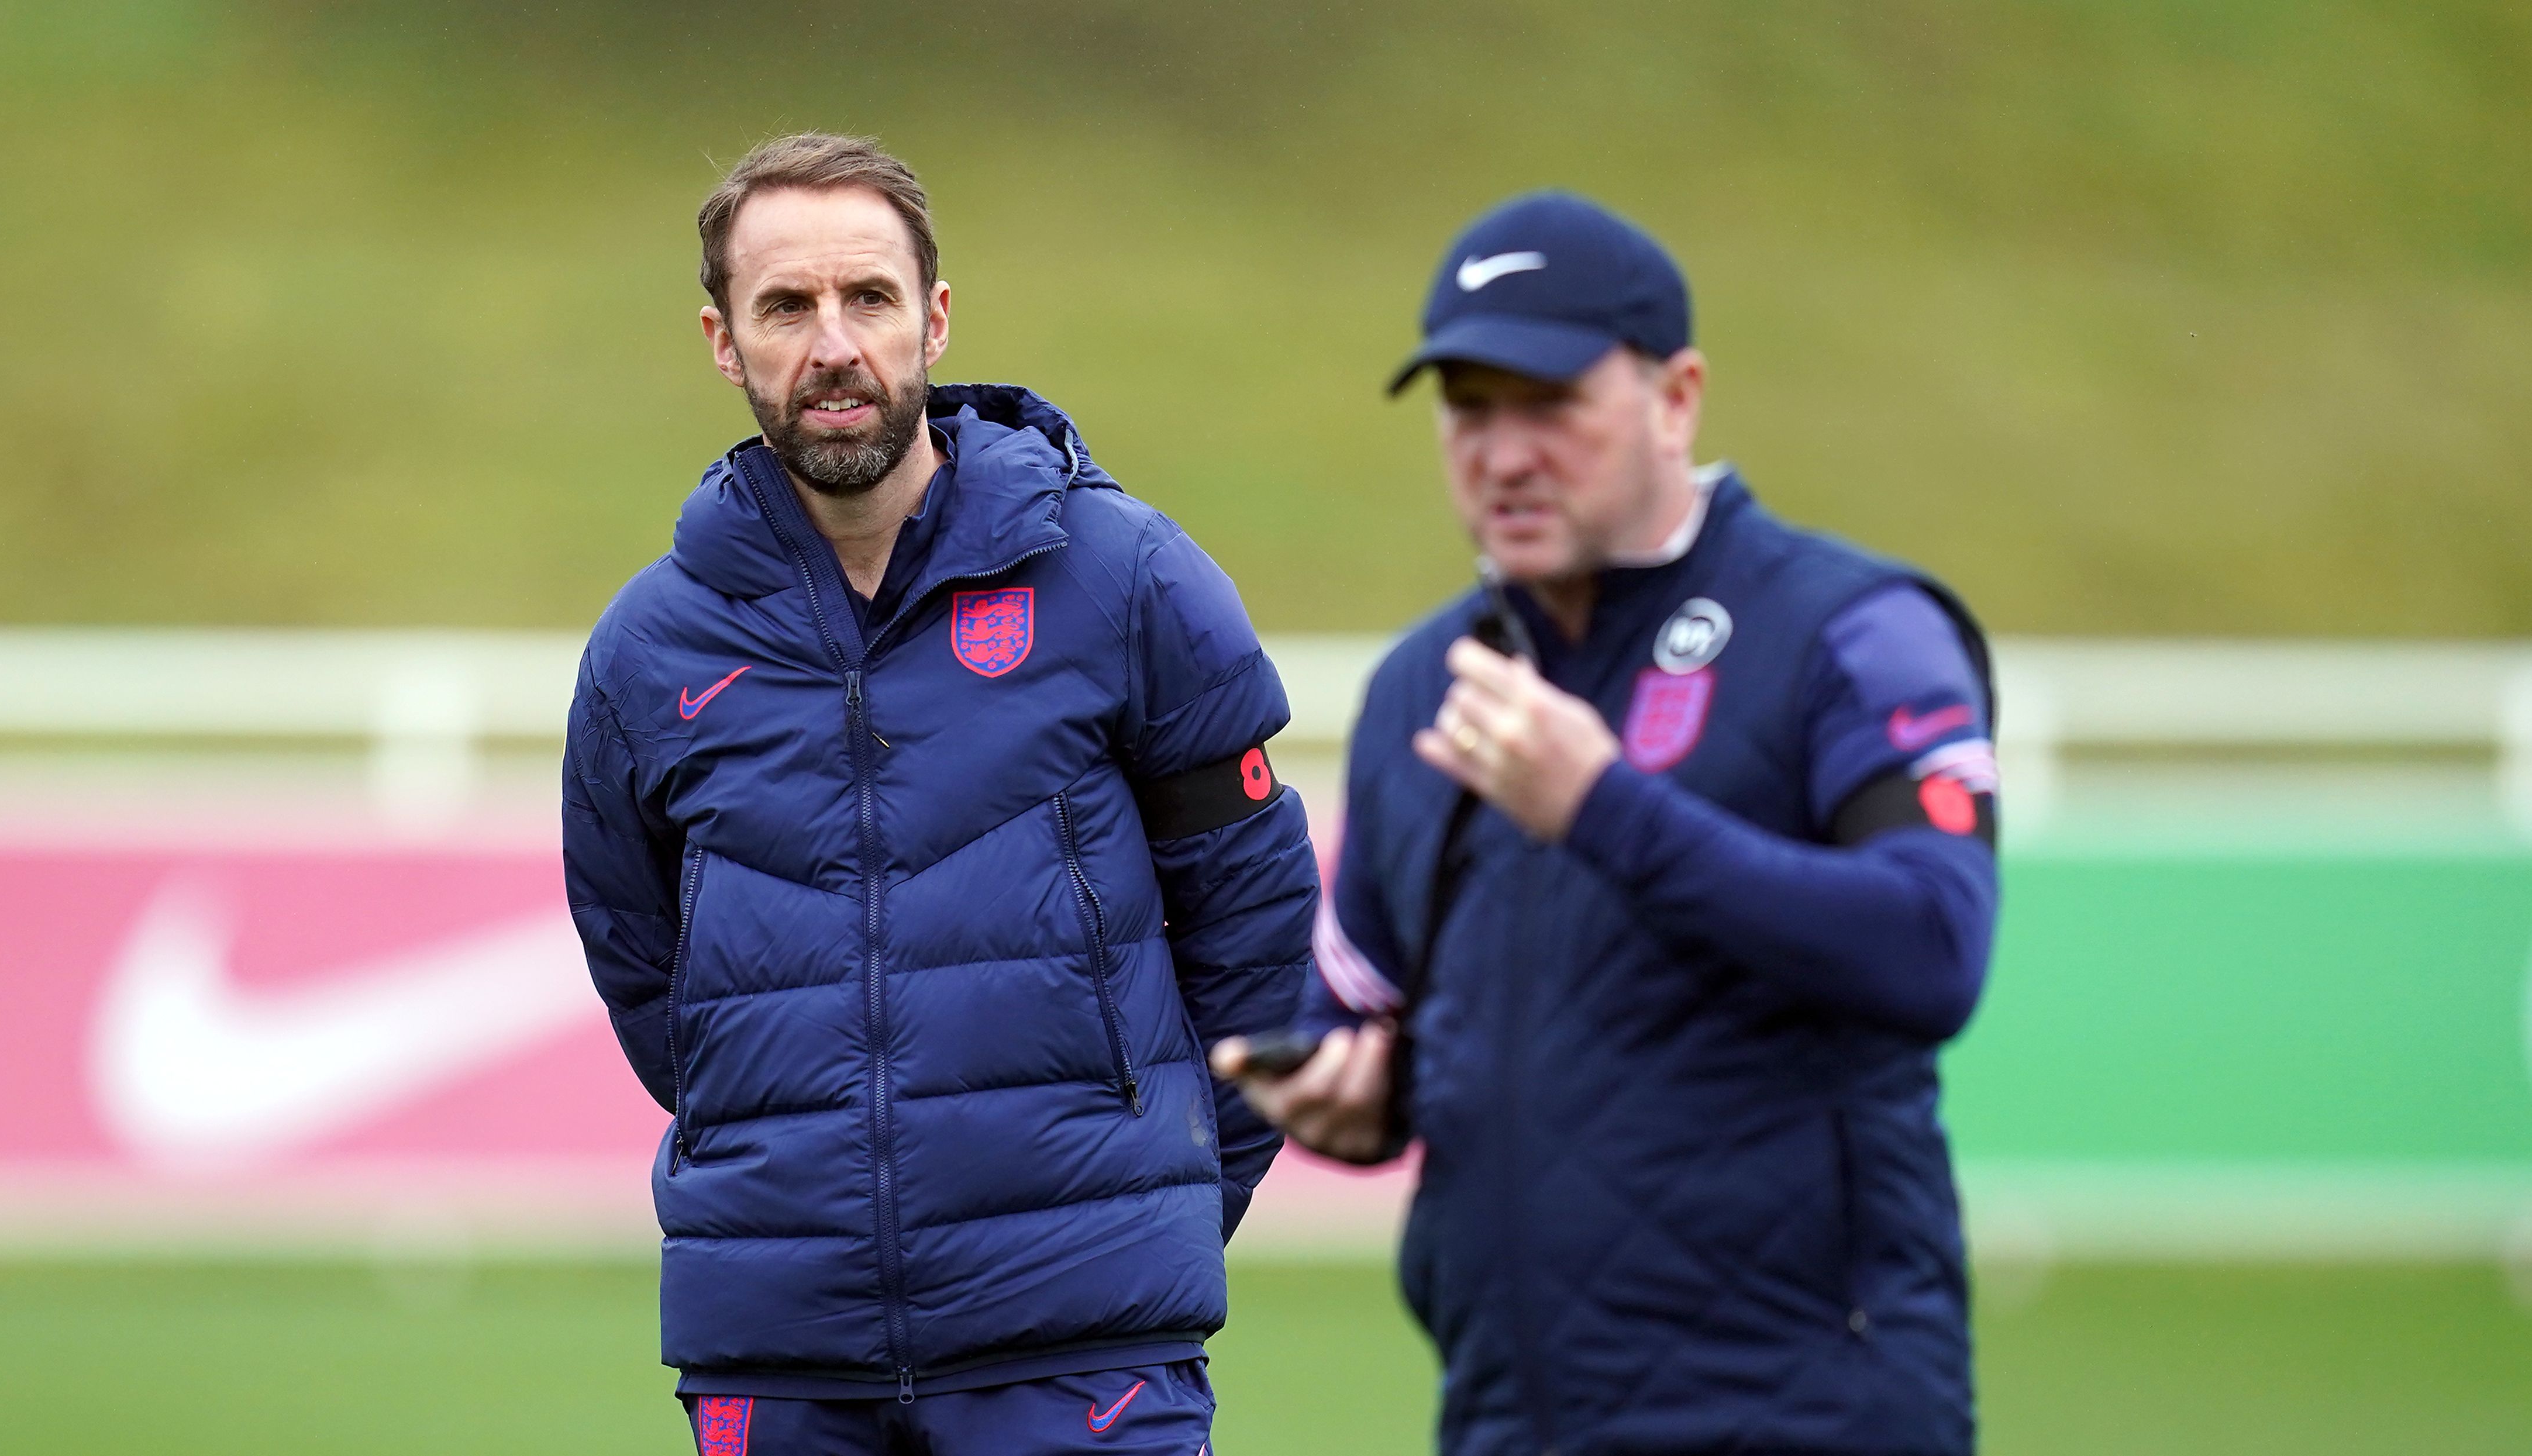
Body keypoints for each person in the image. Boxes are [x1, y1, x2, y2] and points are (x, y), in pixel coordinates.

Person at [563, 133, 1316, 1456]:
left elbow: (1256, 932)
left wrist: (1156, 1202)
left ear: (937, 317)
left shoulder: (1124, 578)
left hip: (1084, 1354)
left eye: (869, 297)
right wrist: (792, 1170)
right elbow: (645, 971)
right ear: (723, 342)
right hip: (780, 1355)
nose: (833, 345)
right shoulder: (650, 648)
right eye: (785, 307)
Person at [1214, 193, 1999, 1455]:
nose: (1503, 453)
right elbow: (1358, 1009)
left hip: (1809, 1412)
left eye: (1549, 403)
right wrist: (1345, 1094)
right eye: (1470, 408)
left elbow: (1933, 950)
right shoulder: (1422, 689)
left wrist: (1604, 808)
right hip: (1509, 1417)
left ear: (1675, 397)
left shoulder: (1851, 630)